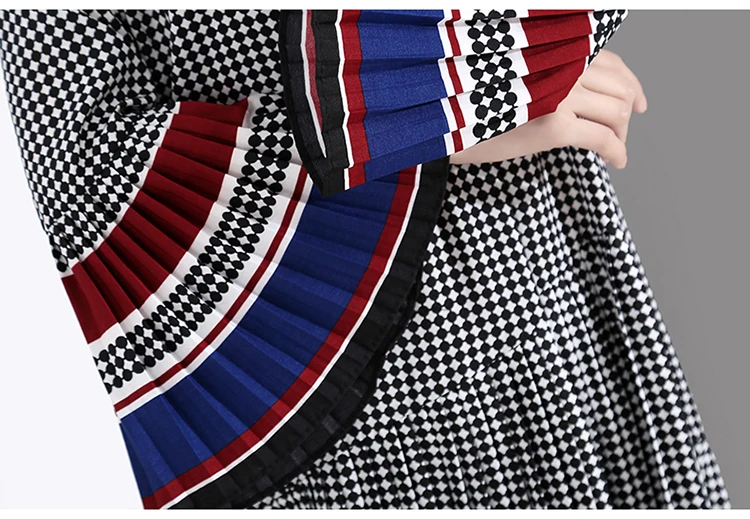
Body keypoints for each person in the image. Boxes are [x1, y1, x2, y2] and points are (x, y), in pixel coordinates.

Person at [0, 9, 729, 509]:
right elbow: (77, 175)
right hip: (316, 373)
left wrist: (528, 55)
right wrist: (434, 108)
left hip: (543, 285)